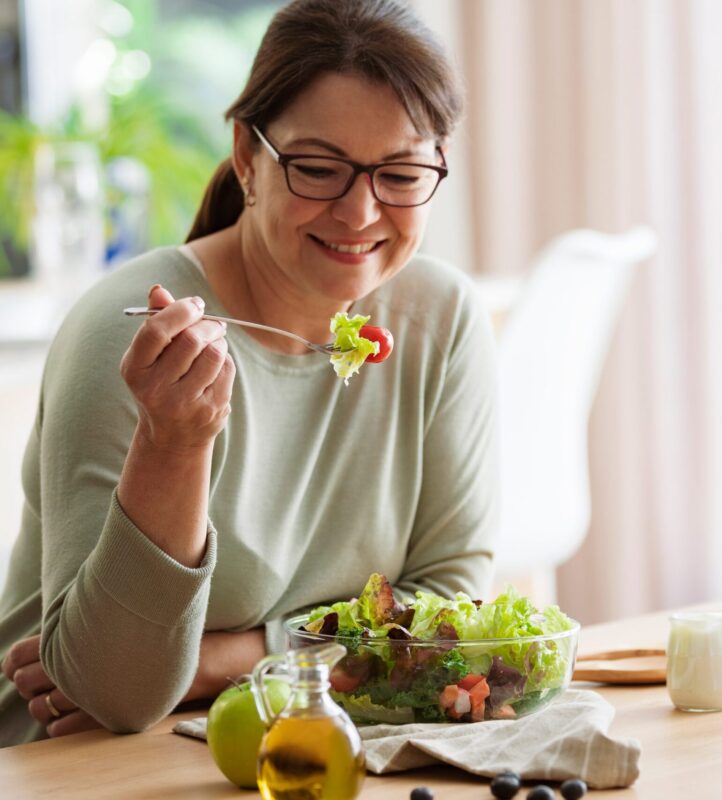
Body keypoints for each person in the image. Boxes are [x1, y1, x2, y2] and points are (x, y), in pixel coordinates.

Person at [0, 0, 497, 746]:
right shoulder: (136, 337)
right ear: (247, 156)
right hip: (87, 766)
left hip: (314, 741)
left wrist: (229, 659)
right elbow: (114, 695)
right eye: (319, 169)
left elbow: (451, 609)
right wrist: (174, 442)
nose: (361, 213)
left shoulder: (441, 318)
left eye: (400, 173)